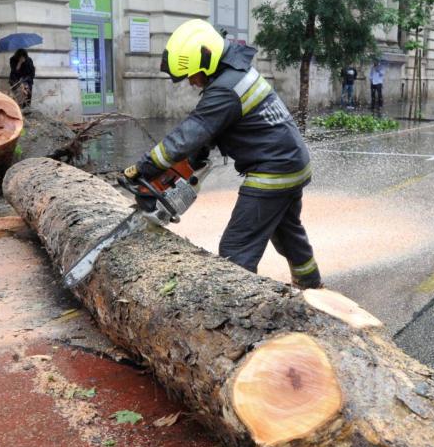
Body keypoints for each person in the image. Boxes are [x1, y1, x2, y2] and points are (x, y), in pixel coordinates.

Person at [125, 19, 322, 289]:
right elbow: (212, 132)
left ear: (207, 61)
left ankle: (237, 308)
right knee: (287, 233)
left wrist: (146, 167)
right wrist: (190, 162)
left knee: (235, 249)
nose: (192, 82)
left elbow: (189, 134)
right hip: (292, 163)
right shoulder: (236, 76)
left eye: (192, 75)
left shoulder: (226, 90)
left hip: (273, 170)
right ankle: (311, 286)